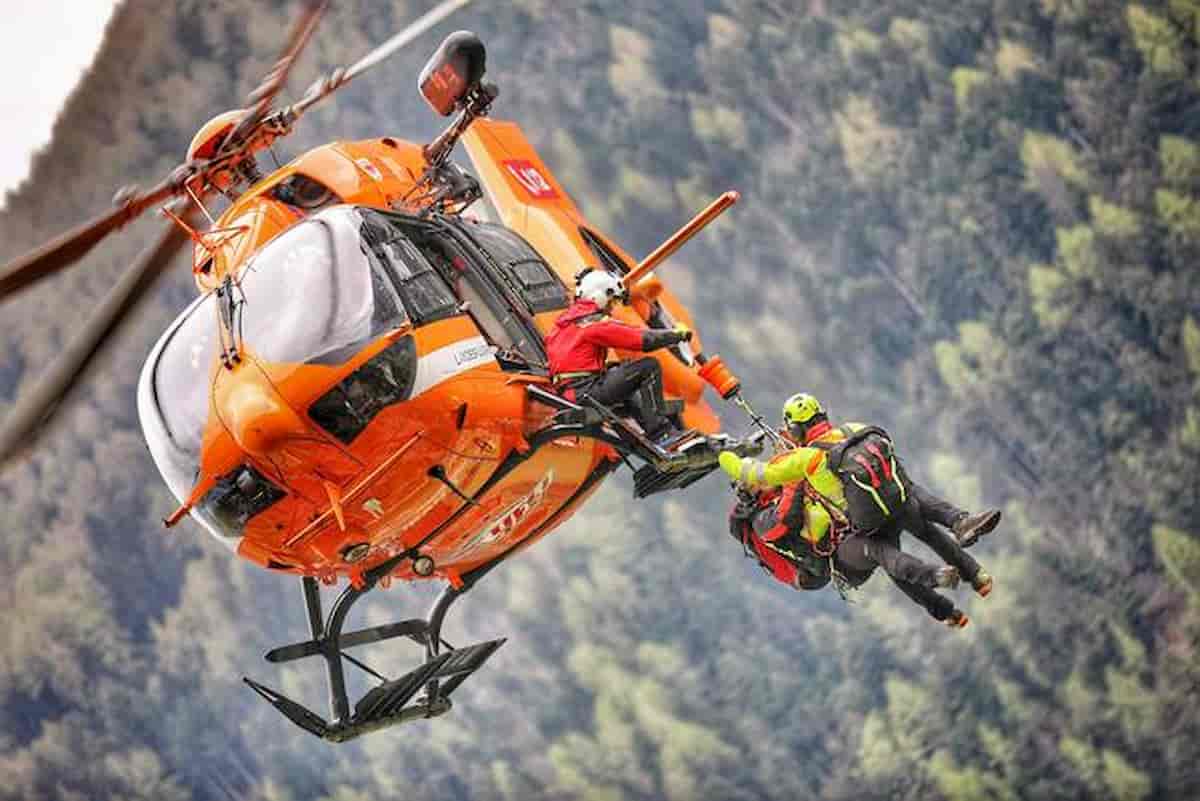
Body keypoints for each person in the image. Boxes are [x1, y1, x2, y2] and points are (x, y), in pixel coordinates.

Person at [720, 392, 1002, 622]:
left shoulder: (805, 460)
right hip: (890, 503)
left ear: (794, 430)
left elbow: (758, 473)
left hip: (865, 522)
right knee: (918, 516)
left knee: (887, 555)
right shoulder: (852, 430)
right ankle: (972, 564)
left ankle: (942, 585)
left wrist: (725, 457)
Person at [545, 268, 693, 440]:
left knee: (624, 375)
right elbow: (641, 339)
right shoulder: (593, 323)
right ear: (599, 296)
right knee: (648, 367)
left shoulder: (564, 323)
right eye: (611, 302)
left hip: (570, 393)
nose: (610, 308)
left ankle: (659, 437)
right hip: (586, 393)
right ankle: (663, 434)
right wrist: (676, 335)